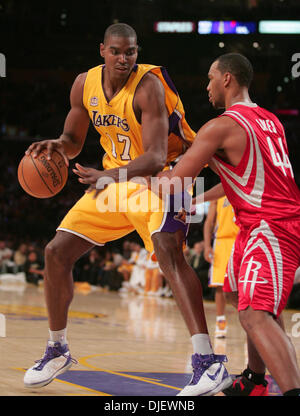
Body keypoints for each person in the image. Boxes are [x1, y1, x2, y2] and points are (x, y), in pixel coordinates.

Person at [23, 23, 231, 395]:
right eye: (117, 51)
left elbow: (153, 157)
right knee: (55, 253)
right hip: (118, 180)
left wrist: (108, 175)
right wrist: (57, 145)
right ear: (102, 50)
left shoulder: (148, 85)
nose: (124, 58)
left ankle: (208, 361)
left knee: (169, 256)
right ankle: (57, 348)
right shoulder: (83, 84)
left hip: (167, 175)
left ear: (137, 52)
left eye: (131, 52)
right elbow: (73, 141)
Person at [156, 52, 300, 396]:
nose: (206, 86)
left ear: (226, 79)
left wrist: (141, 178)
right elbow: (242, 176)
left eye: (210, 78)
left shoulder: (221, 125)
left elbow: (173, 184)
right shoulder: (269, 120)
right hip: (258, 225)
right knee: (238, 294)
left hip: (271, 226)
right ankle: (253, 380)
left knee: (254, 314)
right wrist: (207, 166)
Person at [203, 196, 239, 338]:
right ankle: (220, 321)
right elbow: (209, 222)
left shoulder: (243, 186)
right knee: (220, 285)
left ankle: (247, 322)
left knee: (243, 286)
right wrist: (206, 246)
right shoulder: (217, 194)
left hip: (241, 238)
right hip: (222, 241)